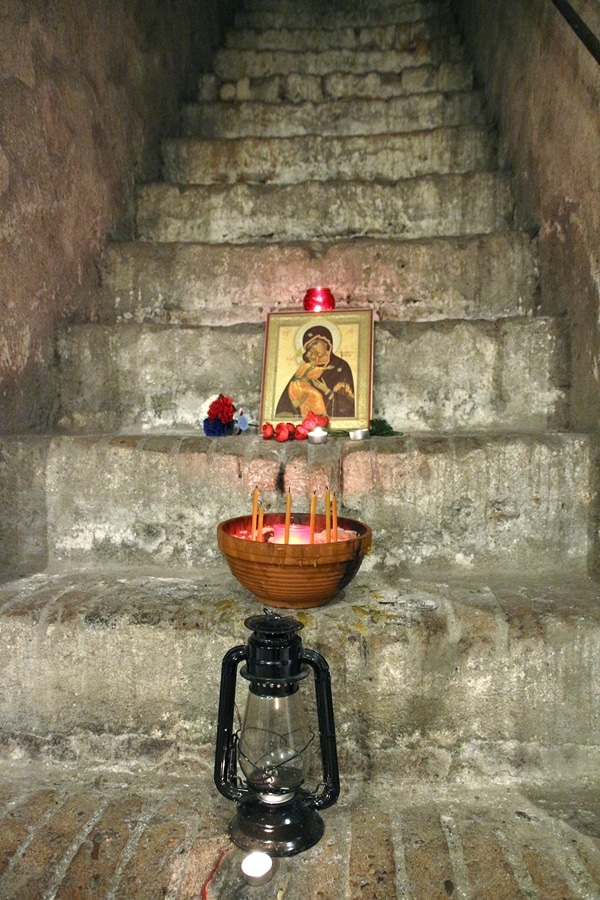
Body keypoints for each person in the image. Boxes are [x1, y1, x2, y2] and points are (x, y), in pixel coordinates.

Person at [276, 325, 355, 418]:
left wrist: (326, 391)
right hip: (306, 419)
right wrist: (297, 401)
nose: (313, 349)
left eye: (315, 343)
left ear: (327, 342)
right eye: (309, 348)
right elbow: (286, 403)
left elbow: (349, 404)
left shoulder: (341, 366)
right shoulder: (306, 368)